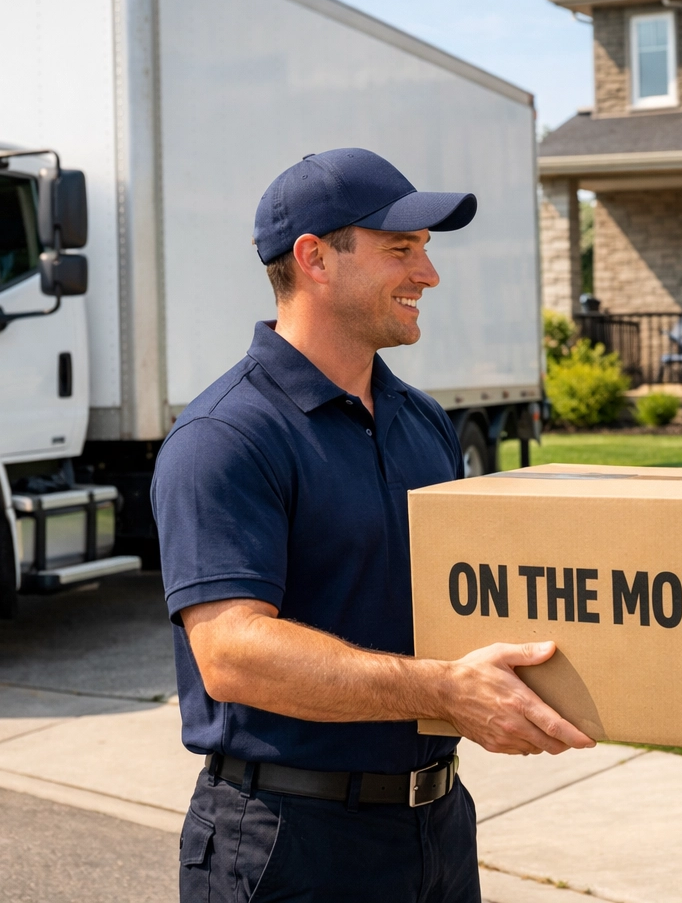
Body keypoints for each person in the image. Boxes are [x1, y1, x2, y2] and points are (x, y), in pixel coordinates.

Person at [152, 148, 594, 902]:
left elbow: (458, 604)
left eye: (425, 251)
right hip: (291, 843)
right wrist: (446, 692)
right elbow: (231, 653)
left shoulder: (420, 420)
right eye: (401, 250)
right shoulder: (227, 436)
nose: (428, 275)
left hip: (437, 829)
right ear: (315, 258)